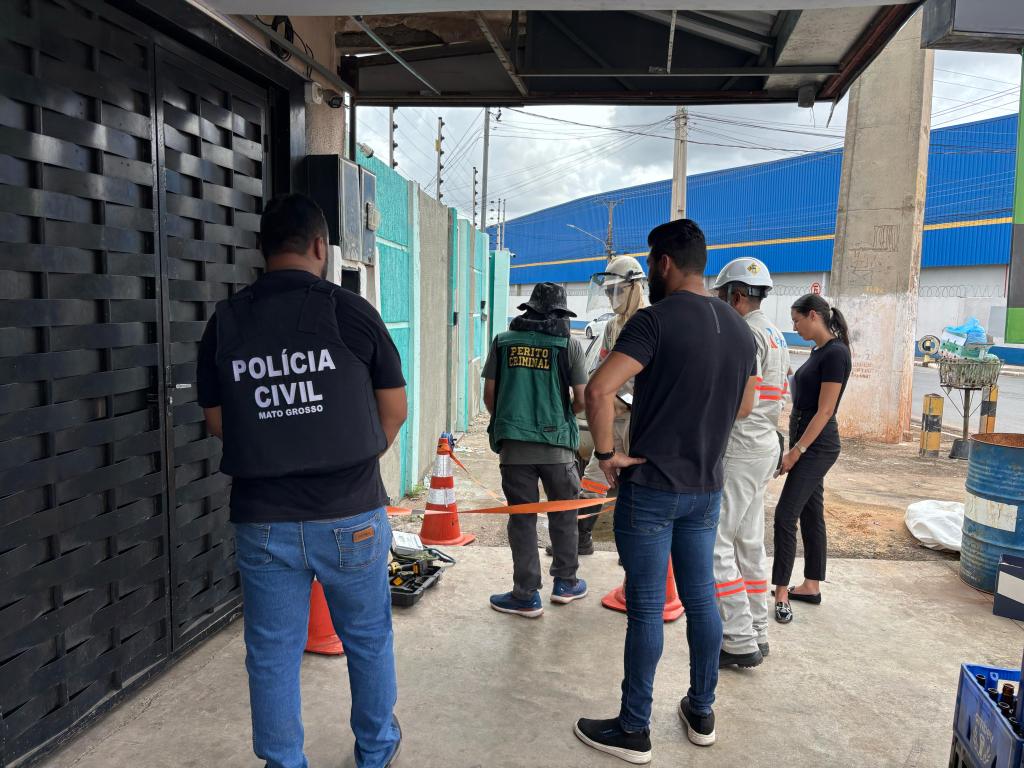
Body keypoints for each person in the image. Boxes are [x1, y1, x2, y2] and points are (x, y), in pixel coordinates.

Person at [196, 193, 407, 768]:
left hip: (263, 520)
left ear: (261, 249)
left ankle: (283, 761)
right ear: (320, 246)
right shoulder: (351, 311)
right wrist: (354, 459)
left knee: (271, 653)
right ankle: (375, 752)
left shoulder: (226, 321)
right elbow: (394, 409)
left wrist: (275, 440)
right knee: (367, 639)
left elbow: (217, 421)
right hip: (350, 514)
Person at [574, 220, 758, 765]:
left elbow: (598, 390)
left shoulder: (655, 320)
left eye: (653, 262)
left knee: (648, 607)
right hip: (706, 488)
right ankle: (701, 712)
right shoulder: (739, 328)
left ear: (664, 263)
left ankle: (634, 728)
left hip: (652, 486)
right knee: (701, 599)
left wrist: (607, 455)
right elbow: (745, 407)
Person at [483, 282, 589, 617]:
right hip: (558, 450)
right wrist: (559, 416)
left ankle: (526, 595)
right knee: (564, 514)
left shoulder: (503, 341)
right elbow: (582, 400)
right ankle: (566, 583)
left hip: (515, 451)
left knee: (522, 520)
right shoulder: (569, 345)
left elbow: (490, 397)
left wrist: (515, 423)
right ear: (561, 314)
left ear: (528, 309)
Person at [712, 257, 791, 668]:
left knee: (716, 544)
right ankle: (758, 630)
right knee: (749, 543)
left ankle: (738, 638)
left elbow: (739, 403)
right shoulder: (775, 334)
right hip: (764, 446)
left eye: (722, 297)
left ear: (736, 295)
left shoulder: (743, 334)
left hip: (741, 448)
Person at [545, 255, 648, 557]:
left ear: (634, 287)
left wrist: (625, 401)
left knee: (639, 489)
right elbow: (600, 370)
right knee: (594, 479)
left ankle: (636, 554)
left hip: (641, 421)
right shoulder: (614, 326)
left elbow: (656, 382)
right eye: (607, 291)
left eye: (616, 290)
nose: (611, 297)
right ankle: (581, 539)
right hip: (613, 419)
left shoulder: (651, 322)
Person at [772, 293, 852, 624]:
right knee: (810, 513)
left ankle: (781, 593)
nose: (794, 327)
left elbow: (825, 411)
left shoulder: (836, 354)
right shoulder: (819, 352)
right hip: (807, 439)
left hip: (817, 446)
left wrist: (796, 452)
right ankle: (811, 585)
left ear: (813, 316)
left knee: (784, 515)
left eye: (796, 320)